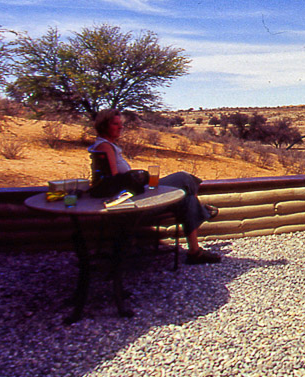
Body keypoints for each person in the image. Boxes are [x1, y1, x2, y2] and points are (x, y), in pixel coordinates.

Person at [90, 109, 221, 265]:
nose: (120, 128)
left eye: (121, 124)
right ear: (104, 125)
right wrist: (137, 177)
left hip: (135, 194)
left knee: (188, 199)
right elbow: (114, 179)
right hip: (132, 203)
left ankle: (195, 251)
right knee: (184, 178)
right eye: (115, 124)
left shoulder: (106, 145)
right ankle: (202, 213)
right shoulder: (105, 147)